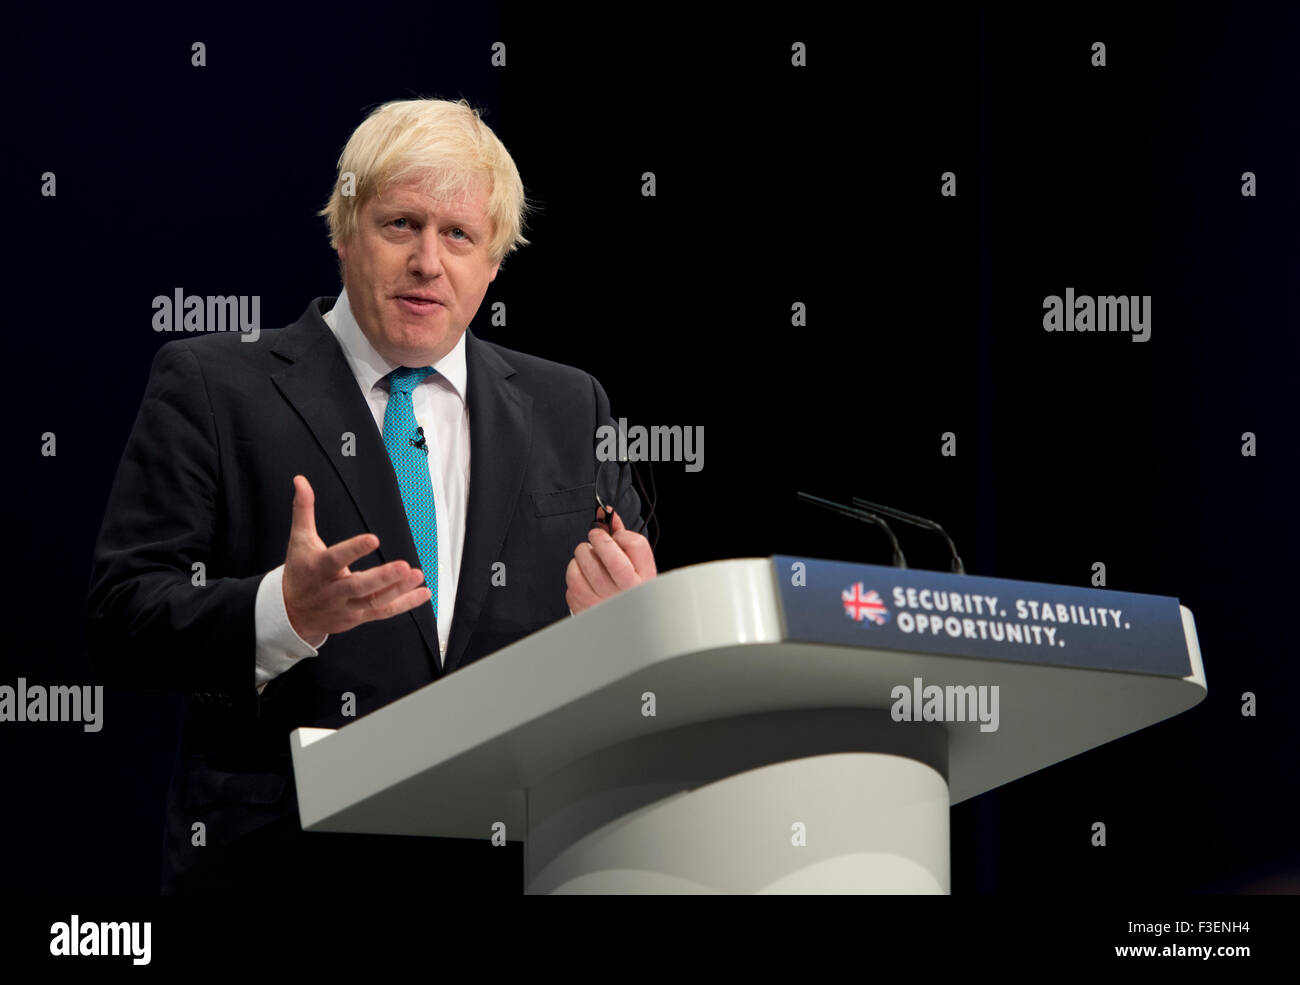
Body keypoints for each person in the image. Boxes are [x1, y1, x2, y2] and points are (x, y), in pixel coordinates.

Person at [83, 97, 657, 893]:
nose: (430, 261)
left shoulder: (571, 407)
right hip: (286, 873)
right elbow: (122, 620)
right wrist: (286, 612)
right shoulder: (214, 388)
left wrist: (632, 631)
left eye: (459, 235)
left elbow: (628, 655)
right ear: (343, 232)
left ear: (493, 262)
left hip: (517, 867)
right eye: (401, 225)